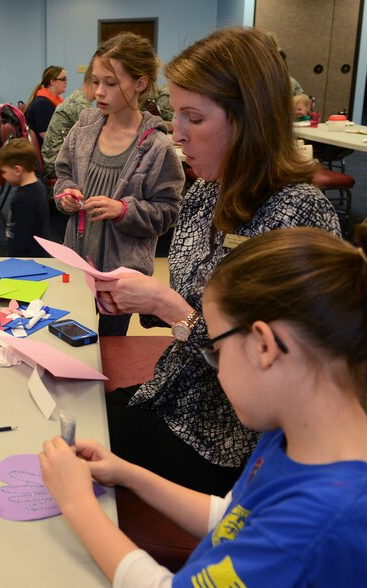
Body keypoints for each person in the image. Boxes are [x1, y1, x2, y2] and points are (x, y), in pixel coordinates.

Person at [40, 224, 367, 588]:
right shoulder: (292, 436)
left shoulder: (320, 521)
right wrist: (127, 473)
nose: (217, 364)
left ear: (264, 346)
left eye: (217, 350)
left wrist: (77, 503)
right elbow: (235, 518)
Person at [92, 28, 341, 495]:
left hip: (231, 439)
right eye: (175, 115)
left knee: (77, 439)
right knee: (78, 408)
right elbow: (192, 296)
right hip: (175, 393)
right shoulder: (206, 192)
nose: (176, 133)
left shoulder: (297, 213)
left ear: (249, 121)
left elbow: (284, 366)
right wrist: (136, 298)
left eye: (194, 118)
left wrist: (169, 308)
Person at [54, 33, 184, 336]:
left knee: (111, 348)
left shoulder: (157, 147)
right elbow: (62, 175)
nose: (99, 92)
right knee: (72, 337)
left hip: (122, 275)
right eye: (95, 82)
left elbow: (167, 212)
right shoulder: (83, 130)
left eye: (111, 84)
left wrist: (123, 209)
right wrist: (66, 194)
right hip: (77, 262)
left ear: (139, 83)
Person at [41, 62, 95, 178]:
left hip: (54, 156)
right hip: (55, 162)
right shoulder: (80, 104)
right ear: (93, 82)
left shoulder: (79, 97)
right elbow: (94, 139)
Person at [0, 138, 49, 257]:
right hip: (38, 254)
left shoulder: (23, 199)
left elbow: (20, 238)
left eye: (4, 172)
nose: (3, 176)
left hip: (26, 260)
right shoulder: (39, 187)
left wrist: (12, 259)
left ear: (17, 170)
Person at [24, 65, 67, 141]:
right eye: (63, 79)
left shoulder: (50, 100)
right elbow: (45, 134)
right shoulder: (43, 104)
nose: (66, 81)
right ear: (52, 82)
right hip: (46, 149)